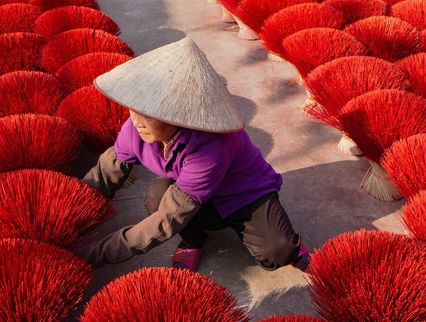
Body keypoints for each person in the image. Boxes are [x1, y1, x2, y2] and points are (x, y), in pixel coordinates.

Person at [72, 37, 311, 272]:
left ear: (180, 116)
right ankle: (194, 240)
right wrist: (69, 214)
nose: (136, 121)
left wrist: (91, 256)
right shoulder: (134, 128)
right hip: (199, 197)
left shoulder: (212, 146)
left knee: (277, 253)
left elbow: (167, 219)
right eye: (134, 109)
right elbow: (104, 175)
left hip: (244, 197)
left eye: (148, 114)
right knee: (157, 195)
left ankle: (285, 243)